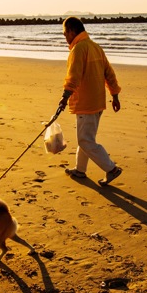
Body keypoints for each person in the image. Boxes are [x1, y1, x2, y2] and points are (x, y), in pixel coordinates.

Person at [57, 17, 123, 186]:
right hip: (97, 101)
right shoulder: (95, 47)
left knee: (85, 141)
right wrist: (114, 95)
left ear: (72, 31)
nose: (65, 37)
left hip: (86, 102)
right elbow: (109, 73)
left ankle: (111, 169)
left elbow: (74, 76)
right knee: (86, 138)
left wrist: (65, 96)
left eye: (65, 33)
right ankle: (80, 170)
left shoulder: (79, 49)